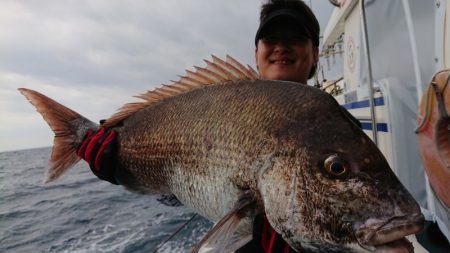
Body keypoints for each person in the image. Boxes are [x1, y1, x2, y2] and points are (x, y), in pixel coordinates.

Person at [236, 0, 320, 252]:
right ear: (256, 54)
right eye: (271, 39)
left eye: (294, 38)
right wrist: (119, 165)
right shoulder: (228, 112)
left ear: (315, 54)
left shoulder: (335, 128)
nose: (281, 47)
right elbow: (172, 194)